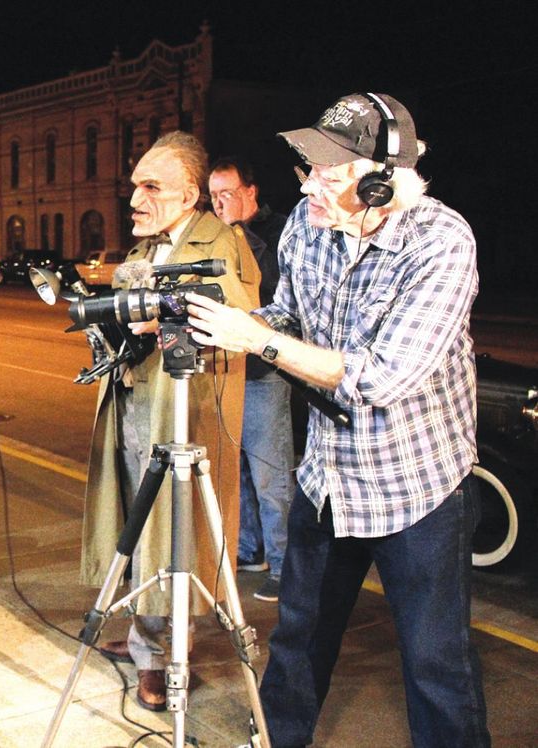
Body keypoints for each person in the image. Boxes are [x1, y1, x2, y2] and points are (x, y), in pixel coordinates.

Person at [186, 93, 489, 747]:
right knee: (296, 644)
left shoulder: (440, 243)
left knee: (436, 665)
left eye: (333, 169)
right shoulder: (306, 224)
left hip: (417, 489)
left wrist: (258, 340)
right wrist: (220, 328)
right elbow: (288, 315)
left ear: (384, 182)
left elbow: (380, 378)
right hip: (328, 479)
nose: (312, 181)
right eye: (311, 164)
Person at [82, 132, 260, 711]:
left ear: (189, 193)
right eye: (133, 184)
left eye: (150, 186)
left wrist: (159, 313)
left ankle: (160, 657)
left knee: (175, 534)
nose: (134, 197)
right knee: (139, 527)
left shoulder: (221, 241)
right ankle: (144, 640)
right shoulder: (145, 248)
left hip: (185, 410)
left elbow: (235, 305)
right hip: (137, 404)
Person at [208, 157, 292, 603]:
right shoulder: (218, 235)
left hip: (264, 370)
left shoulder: (279, 231)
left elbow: (275, 290)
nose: (220, 203)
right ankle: (249, 550)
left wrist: (240, 231)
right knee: (234, 468)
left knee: (270, 473)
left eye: (227, 193)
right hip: (227, 368)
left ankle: (284, 565)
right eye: (214, 195)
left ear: (250, 191)